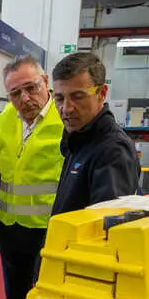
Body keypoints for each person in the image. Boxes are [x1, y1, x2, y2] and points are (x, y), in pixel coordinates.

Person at [0, 55, 63, 299]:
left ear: (45, 82)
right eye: (15, 93)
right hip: (11, 227)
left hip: (48, 232)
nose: (25, 99)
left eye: (31, 88)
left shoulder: (65, 122)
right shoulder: (3, 121)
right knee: (16, 296)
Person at [50, 52, 140, 215]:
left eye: (78, 97)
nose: (66, 109)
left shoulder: (113, 150)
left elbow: (103, 229)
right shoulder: (79, 139)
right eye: (59, 99)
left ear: (102, 93)